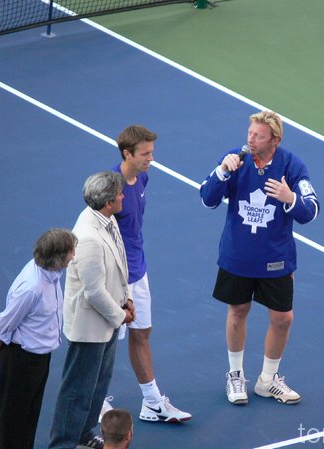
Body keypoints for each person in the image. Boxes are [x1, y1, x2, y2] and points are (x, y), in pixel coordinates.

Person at [200, 110, 319, 405]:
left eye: (258, 136)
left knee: (283, 319)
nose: (250, 139)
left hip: (276, 257)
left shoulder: (292, 166)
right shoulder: (234, 159)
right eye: (250, 133)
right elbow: (207, 198)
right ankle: (236, 375)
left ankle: (267, 379)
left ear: (275, 140)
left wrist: (289, 197)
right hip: (237, 256)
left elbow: (312, 210)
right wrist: (222, 173)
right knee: (238, 312)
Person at [104, 125, 190, 423]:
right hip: (115, 278)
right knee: (104, 342)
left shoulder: (142, 177)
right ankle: (96, 401)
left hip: (138, 271)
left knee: (141, 333)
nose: (151, 158)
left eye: (152, 152)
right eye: (145, 153)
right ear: (127, 153)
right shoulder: (110, 189)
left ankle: (152, 403)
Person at [48, 172, 135, 449]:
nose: (123, 196)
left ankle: (84, 434)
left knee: (98, 385)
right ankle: (62, 443)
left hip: (107, 321)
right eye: (119, 194)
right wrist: (121, 315)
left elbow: (120, 262)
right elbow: (93, 291)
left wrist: (127, 299)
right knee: (77, 390)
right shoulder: (88, 237)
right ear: (109, 202)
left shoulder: (107, 220)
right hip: (90, 326)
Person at [0, 229, 77, 449]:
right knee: (13, 422)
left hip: (38, 358)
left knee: (28, 418)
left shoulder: (50, 271)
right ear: (57, 258)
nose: (74, 255)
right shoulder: (32, 287)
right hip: (21, 361)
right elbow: (5, 321)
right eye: (70, 252)